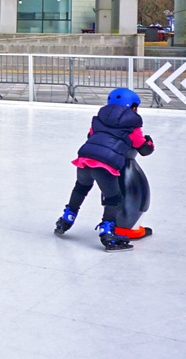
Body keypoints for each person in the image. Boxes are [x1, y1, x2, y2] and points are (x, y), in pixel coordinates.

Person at [54, 88, 156, 252]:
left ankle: (66, 219)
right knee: (113, 198)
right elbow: (143, 149)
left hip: (85, 159)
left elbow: (91, 136)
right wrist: (149, 142)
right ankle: (108, 233)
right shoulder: (133, 123)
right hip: (105, 165)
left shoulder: (99, 118)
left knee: (81, 188)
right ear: (133, 107)